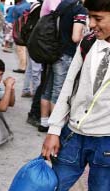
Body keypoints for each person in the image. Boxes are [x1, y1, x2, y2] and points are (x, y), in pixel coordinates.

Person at [16, 0, 110, 191]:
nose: (91, 24)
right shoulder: (88, 42)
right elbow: (68, 85)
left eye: (98, 18)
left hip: (106, 141)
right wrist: (54, 130)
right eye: (90, 17)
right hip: (73, 136)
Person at [38, 0, 87, 133]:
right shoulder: (79, 10)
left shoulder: (63, 5)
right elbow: (76, 37)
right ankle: (55, 127)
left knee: (48, 89)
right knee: (58, 92)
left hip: (54, 51)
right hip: (66, 54)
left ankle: (43, 122)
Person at [12, 0, 30, 73]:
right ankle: (26, 66)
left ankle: (22, 67)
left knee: (20, 49)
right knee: (26, 50)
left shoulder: (17, 8)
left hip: (20, 30)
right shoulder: (29, 5)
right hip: (28, 30)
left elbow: (14, 19)